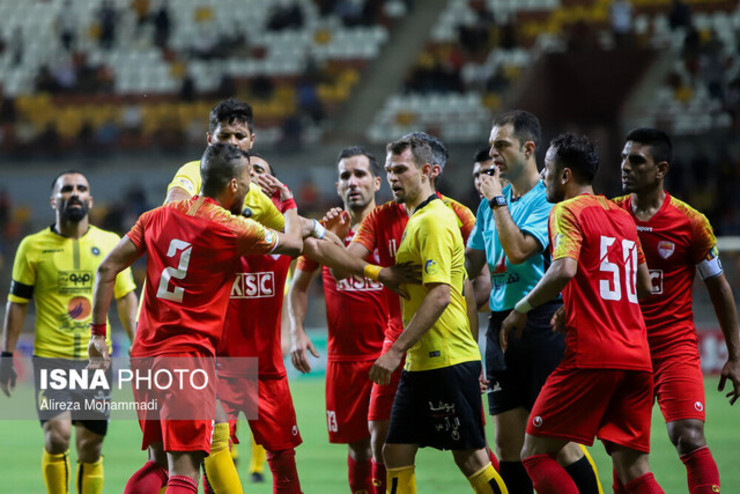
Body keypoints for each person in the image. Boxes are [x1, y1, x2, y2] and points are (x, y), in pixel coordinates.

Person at [87, 144, 304, 494]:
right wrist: (288, 201)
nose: (251, 188)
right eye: (249, 180)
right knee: (184, 473)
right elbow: (294, 244)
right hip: (187, 358)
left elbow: (106, 268)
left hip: (145, 356)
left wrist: (98, 335)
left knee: (158, 463)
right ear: (233, 185)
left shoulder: (156, 216)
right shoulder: (231, 227)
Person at [501, 133, 663, 494]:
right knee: (634, 470)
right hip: (637, 358)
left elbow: (564, 269)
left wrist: (521, 309)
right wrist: (578, 305)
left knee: (535, 454)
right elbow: (644, 287)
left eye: (547, 168)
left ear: (565, 176)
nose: (542, 174)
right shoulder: (622, 218)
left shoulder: (566, 211)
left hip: (592, 356)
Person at [464, 111, 600, 493]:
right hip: (500, 325)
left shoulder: (549, 200)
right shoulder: (492, 202)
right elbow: (471, 262)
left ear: (528, 148)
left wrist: (495, 203)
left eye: (501, 145)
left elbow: (520, 250)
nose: (493, 155)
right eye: (491, 146)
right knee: (508, 446)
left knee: (556, 443)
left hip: (541, 321)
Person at [367, 136, 505, 493]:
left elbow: (442, 295)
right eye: (389, 170)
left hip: (444, 359)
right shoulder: (420, 219)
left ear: (429, 171)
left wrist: (395, 349)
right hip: (423, 362)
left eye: (401, 169)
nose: (393, 177)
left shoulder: (433, 221)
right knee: (394, 453)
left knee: (472, 458)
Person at [614, 127, 740, 494]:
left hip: (673, 347)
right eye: (624, 157)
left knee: (687, 433)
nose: (625, 166)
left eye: (636, 160)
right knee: (624, 451)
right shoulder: (611, 215)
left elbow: (720, 287)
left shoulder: (691, 222)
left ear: (661, 169)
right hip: (624, 348)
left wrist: (735, 355)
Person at [0, 170, 138, 494]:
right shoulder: (32, 247)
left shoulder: (109, 243)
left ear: (90, 199)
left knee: (90, 447)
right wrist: (6, 355)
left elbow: (126, 298)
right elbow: (17, 303)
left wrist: (140, 347)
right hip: (53, 357)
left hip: (95, 362)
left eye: (81, 189)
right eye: (66, 190)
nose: (74, 194)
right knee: (57, 436)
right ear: (53, 200)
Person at [288, 146, 387, 493]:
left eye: (360, 174)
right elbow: (297, 288)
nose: (353, 182)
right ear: (337, 184)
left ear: (377, 181)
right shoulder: (325, 234)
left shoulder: (393, 226)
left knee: (387, 447)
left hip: (388, 356)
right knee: (359, 448)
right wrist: (297, 331)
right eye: (346, 175)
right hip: (344, 363)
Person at [209, 153, 305, 494]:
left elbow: (333, 255)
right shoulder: (216, 235)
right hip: (220, 369)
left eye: (260, 174)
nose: (251, 180)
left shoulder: (288, 240)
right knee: (211, 461)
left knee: (285, 468)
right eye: (246, 174)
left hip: (268, 371)